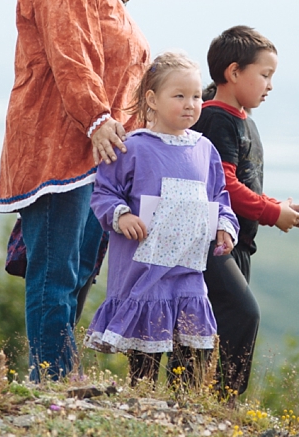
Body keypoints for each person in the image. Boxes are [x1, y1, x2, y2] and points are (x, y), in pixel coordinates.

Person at [0, 0, 150, 381]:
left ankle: (60, 375)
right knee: (55, 270)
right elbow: (70, 51)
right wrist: (98, 117)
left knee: (78, 269)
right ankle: (50, 381)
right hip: (60, 145)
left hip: (94, 151)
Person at [85, 52, 239, 386]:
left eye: (197, 96)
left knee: (191, 354)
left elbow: (220, 198)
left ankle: (184, 412)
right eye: (179, 95)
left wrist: (225, 227)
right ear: (152, 100)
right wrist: (121, 215)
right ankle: (141, 403)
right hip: (145, 271)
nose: (191, 104)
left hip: (188, 270)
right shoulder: (134, 147)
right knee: (146, 356)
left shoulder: (205, 149)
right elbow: (103, 192)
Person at [192, 25, 299, 396]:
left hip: (239, 243)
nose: (270, 85)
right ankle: (224, 400)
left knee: (210, 323)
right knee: (243, 314)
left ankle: (194, 397)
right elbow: (225, 185)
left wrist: (276, 204)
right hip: (214, 240)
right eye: (265, 74)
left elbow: (244, 184)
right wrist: (273, 214)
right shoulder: (217, 119)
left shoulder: (243, 120)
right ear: (233, 72)